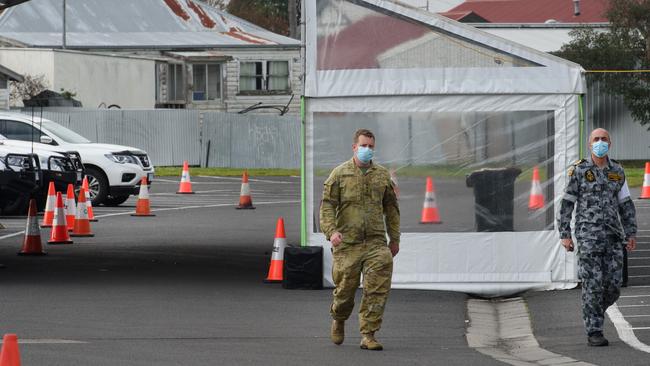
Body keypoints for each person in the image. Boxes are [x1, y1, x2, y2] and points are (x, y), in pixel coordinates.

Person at [320, 129, 400, 351]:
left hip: (375, 243)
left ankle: (368, 334)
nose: (367, 150)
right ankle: (339, 317)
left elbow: (391, 209)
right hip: (347, 244)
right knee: (345, 290)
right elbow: (327, 205)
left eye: (371, 146)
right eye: (363, 145)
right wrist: (331, 231)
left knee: (377, 288)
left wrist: (394, 238)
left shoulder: (382, 175)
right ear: (354, 147)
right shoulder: (339, 174)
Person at [558, 128, 637, 347]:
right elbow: (567, 203)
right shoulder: (579, 170)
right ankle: (594, 330)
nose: (599, 142)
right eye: (596, 139)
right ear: (589, 144)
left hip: (613, 237)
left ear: (610, 144)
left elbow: (626, 204)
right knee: (592, 285)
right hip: (588, 237)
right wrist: (565, 233)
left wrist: (631, 232)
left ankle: (591, 311)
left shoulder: (617, 171)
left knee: (613, 286)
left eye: (603, 139)